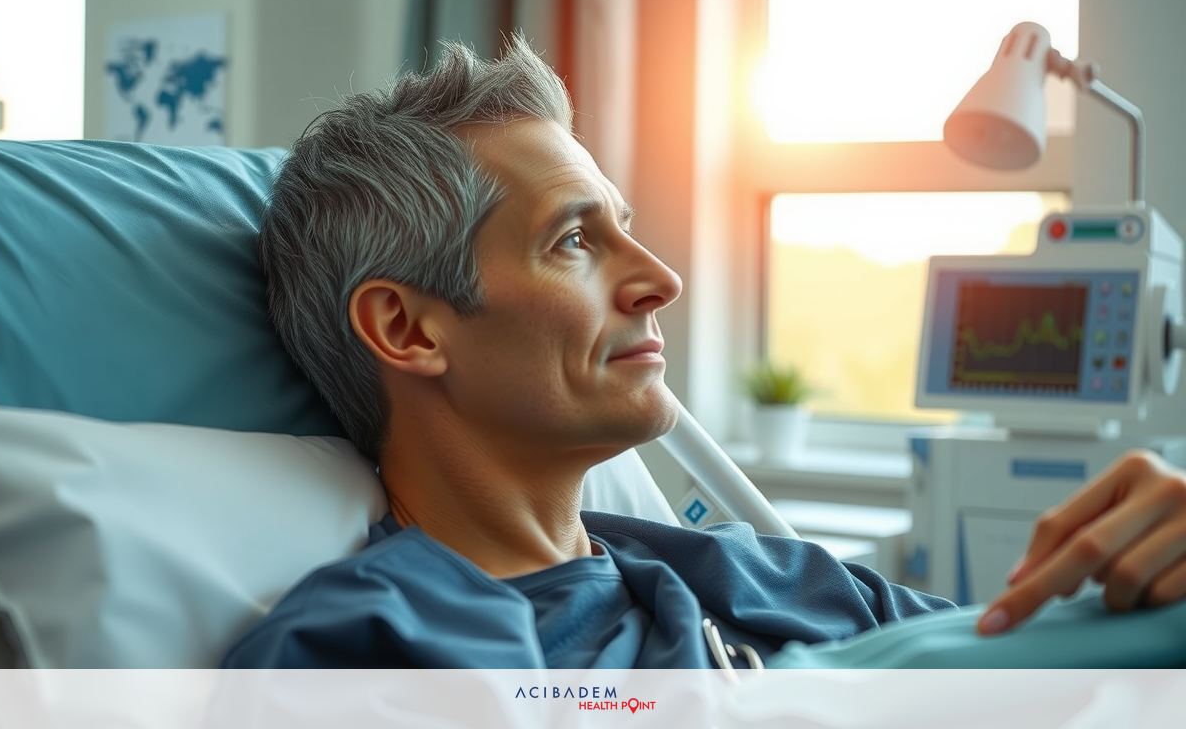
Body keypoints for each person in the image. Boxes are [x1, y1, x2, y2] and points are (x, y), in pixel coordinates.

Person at [222, 35, 1186, 668]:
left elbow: (1028, 671)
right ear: (407, 329)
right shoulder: (374, 646)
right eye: (572, 241)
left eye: (627, 227)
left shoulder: (777, 577)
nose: (660, 279)